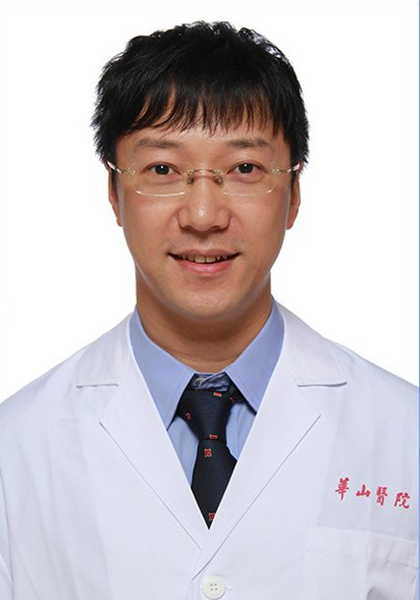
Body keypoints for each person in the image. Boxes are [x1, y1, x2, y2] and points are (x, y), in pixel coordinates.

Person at [0, 21, 417, 600]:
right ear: (114, 194)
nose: (202, 216)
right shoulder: (17, 448)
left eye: (244, 169)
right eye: (162, 170)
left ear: (293, 193)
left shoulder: (404, 433)